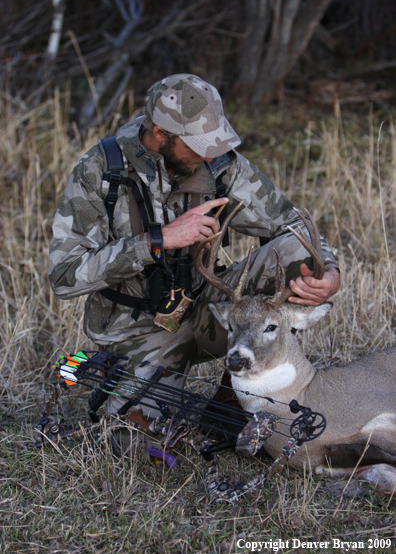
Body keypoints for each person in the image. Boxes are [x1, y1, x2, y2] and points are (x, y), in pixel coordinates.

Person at [49, 74, 340, 443]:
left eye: (214, 142)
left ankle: (237, 396)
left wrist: (329, 271)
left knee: (298, 253)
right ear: (159, 133)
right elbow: (64, 276)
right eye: (198, 145)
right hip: (135, 328)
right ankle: (134, 393)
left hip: (214, 311)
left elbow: (290, 222)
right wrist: (158, 241)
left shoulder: (219, 163)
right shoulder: (99, 171)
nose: (208, 153)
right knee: (133, 440)